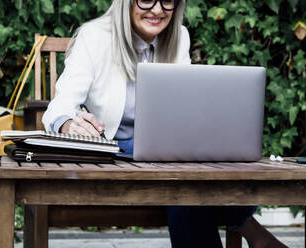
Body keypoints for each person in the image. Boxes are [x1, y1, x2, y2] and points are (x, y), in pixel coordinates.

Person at [42, 0, 288, 247]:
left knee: (186, 173)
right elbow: (59, 108)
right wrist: (69, 125)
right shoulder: (93, 36)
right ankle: (253, 232)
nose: (158, 10)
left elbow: (184, 109)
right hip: (117, 155)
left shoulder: (179, 36)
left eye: (168, 0)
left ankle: (254, 234)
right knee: (185, 179)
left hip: (170, 157)